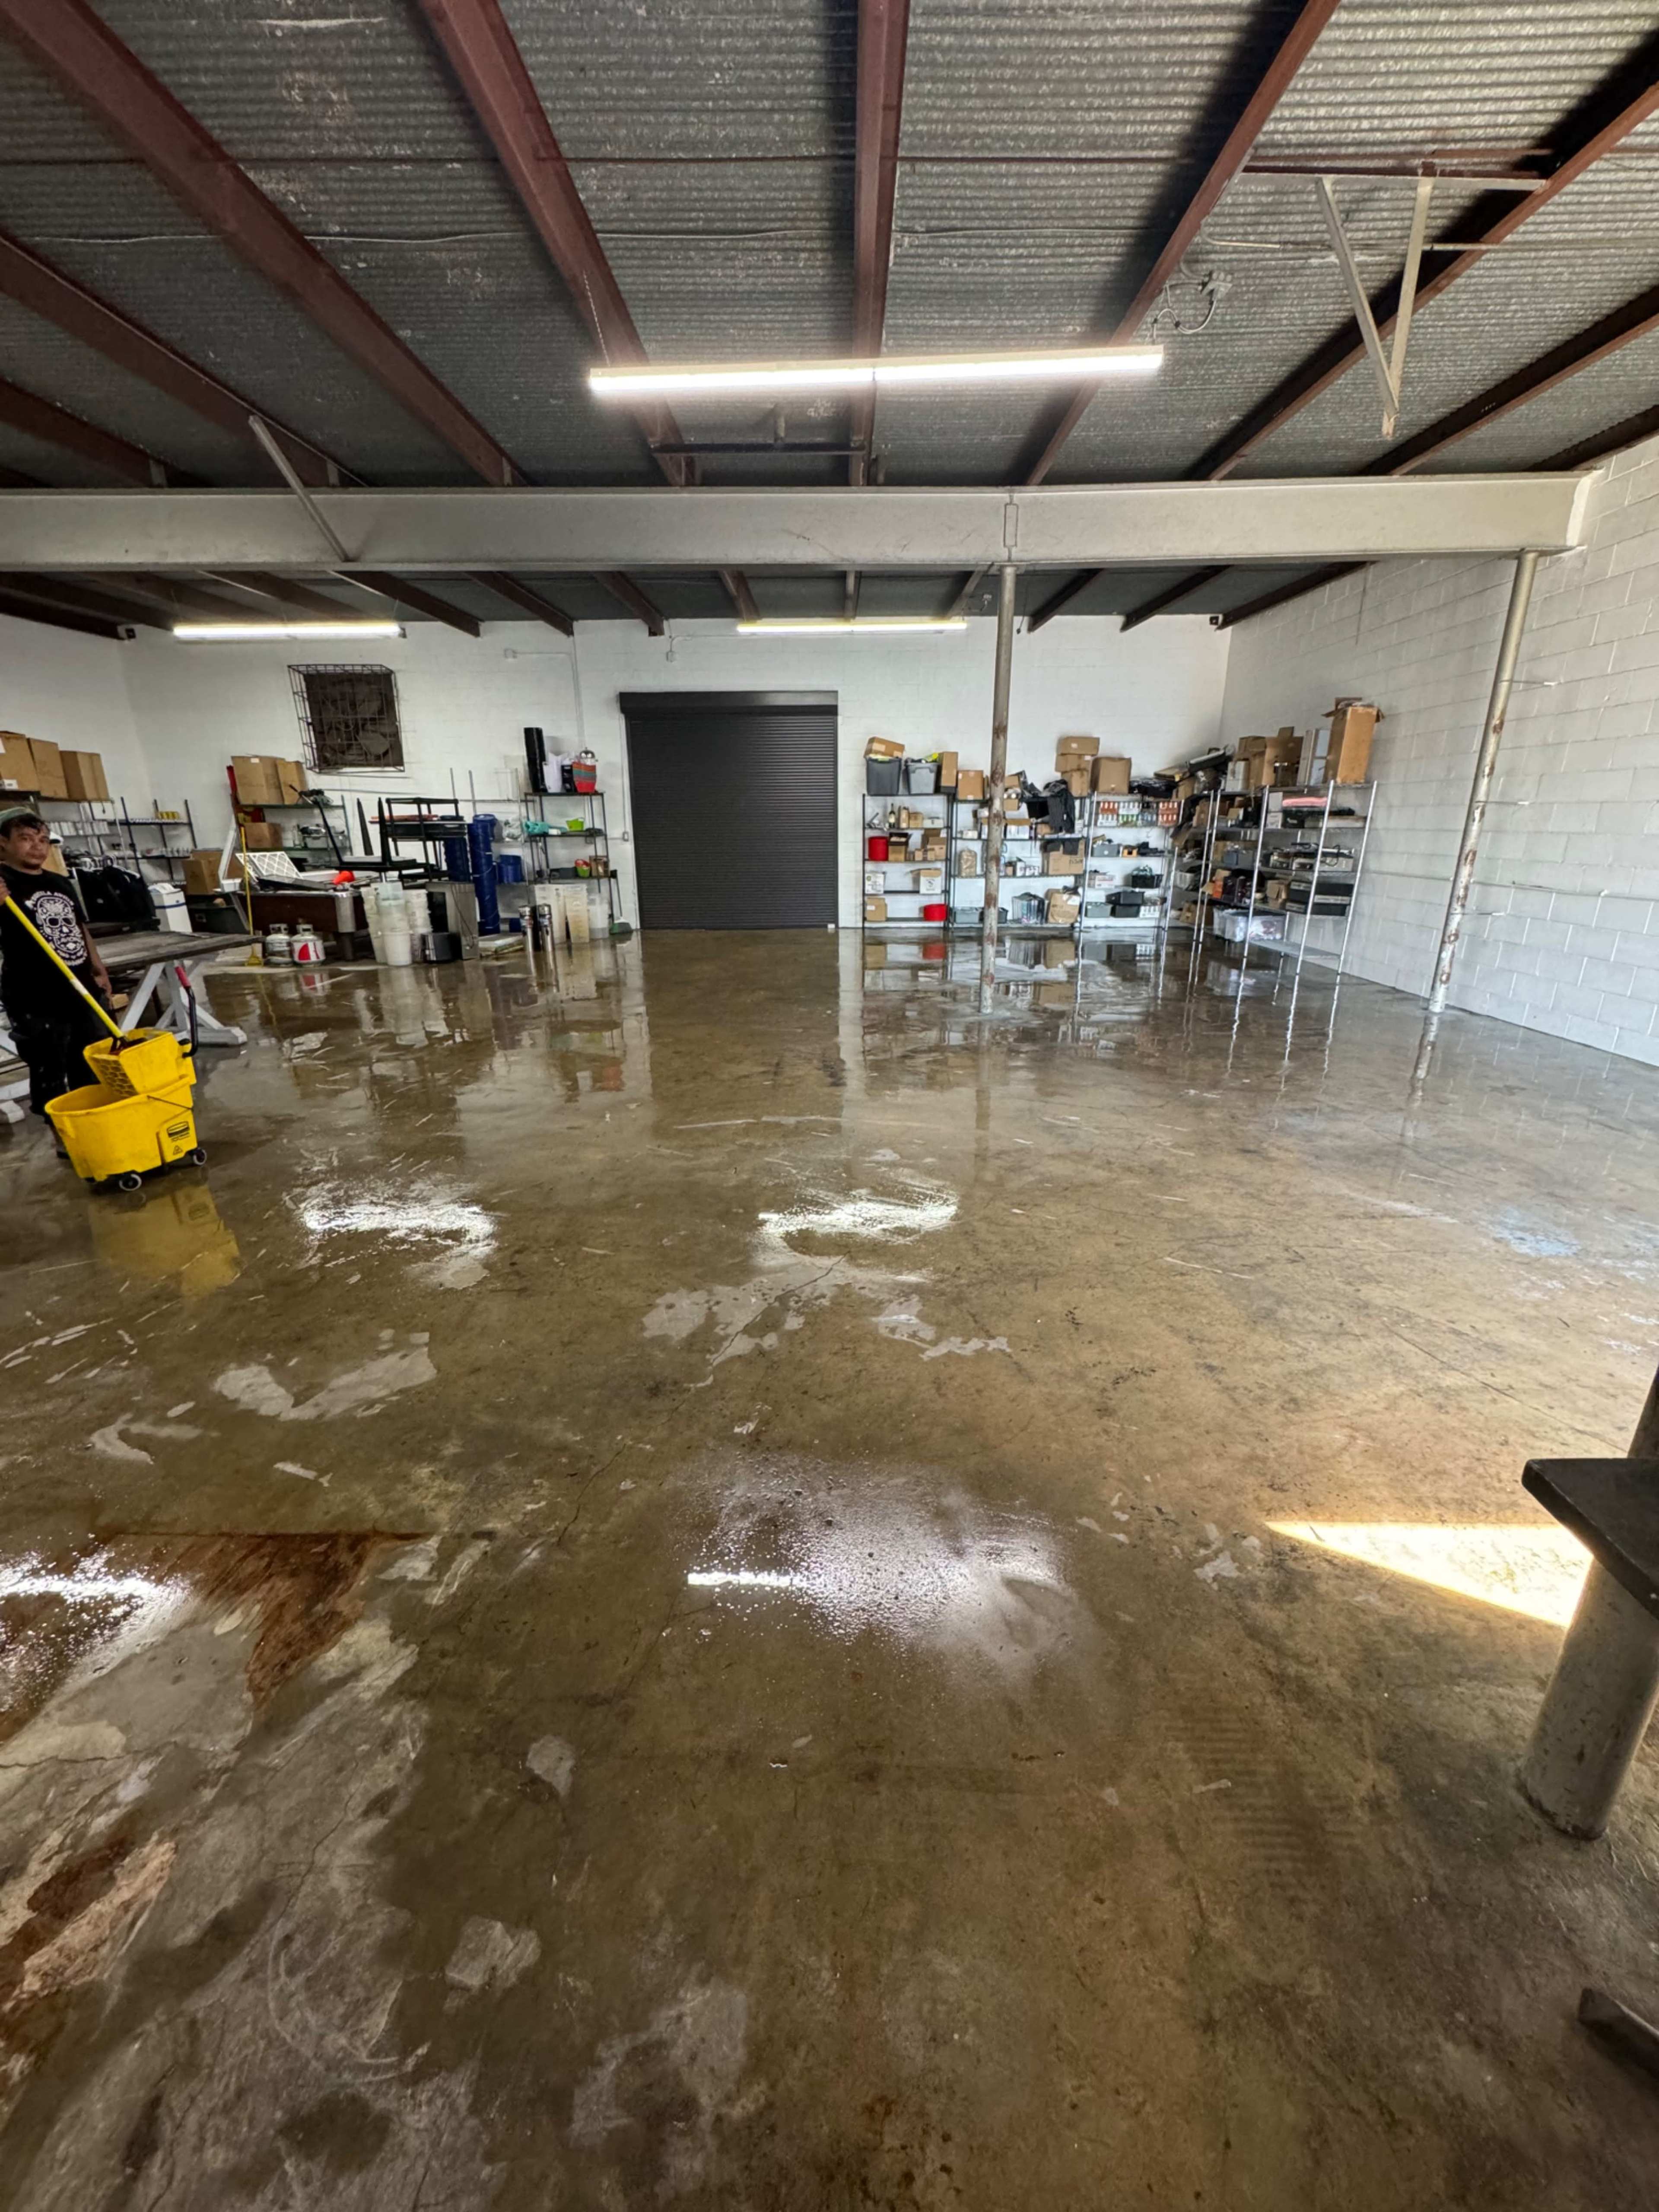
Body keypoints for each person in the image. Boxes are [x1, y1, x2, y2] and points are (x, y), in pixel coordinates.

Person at [0, 805, 115, 1121]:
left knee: (88, 1062)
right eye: (26, 839)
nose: (37, 847)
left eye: (43, 840)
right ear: (3, 844)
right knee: (49, 1066)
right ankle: (60, 1130)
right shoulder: (3, 883)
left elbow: (80, 929)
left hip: (80, 987)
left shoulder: (61, 882)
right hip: (34, 995)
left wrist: (99, 969)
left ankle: (88, 1125)